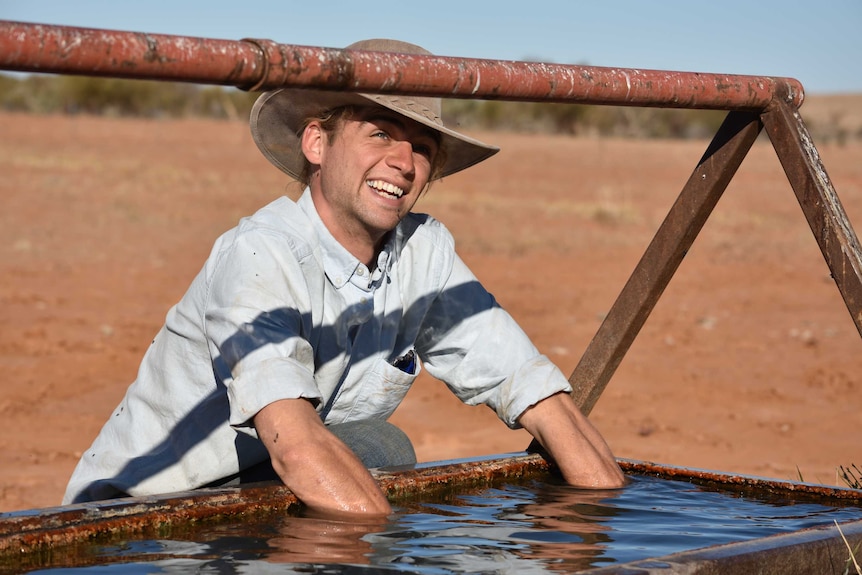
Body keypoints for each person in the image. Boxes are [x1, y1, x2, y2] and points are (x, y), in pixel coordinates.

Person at [63, 39, 625, 514]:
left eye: (422, 148)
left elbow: (538, 395)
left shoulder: (423, 250)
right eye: (380, 133)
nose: (404, 163)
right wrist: (391, 546)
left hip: (256, 489)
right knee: (373, 457)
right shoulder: (262, 253)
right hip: (147, 514)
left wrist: (601, 530)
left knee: (380, 447)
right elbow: (297, 447)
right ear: (317, 142)